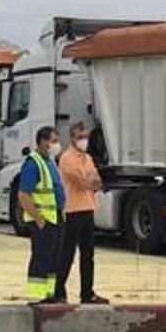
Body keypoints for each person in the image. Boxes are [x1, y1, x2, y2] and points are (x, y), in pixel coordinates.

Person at [52, 121, 108, 305]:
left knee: (88, 254)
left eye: (85, 137)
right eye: (79, 137)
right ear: (72, 138)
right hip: (73, 210)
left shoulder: (87, 158)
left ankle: (87, 293)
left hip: (87, 208)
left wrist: (91, 181)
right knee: (67, 253)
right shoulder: (67, 158)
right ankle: (59, 291)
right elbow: (81, 182)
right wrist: (90, 181)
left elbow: (97, 181)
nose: (83, 140)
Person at [17, 126, 66, 304]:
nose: (56, 145)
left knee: (54, 259)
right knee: (41, 258)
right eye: (53, 141)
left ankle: (49, 295)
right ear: (42, 142)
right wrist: (38, 219)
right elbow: (23, 195)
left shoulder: (50, 162)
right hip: (43, 221)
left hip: (56, 218)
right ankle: (36, 297)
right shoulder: (33, 163)